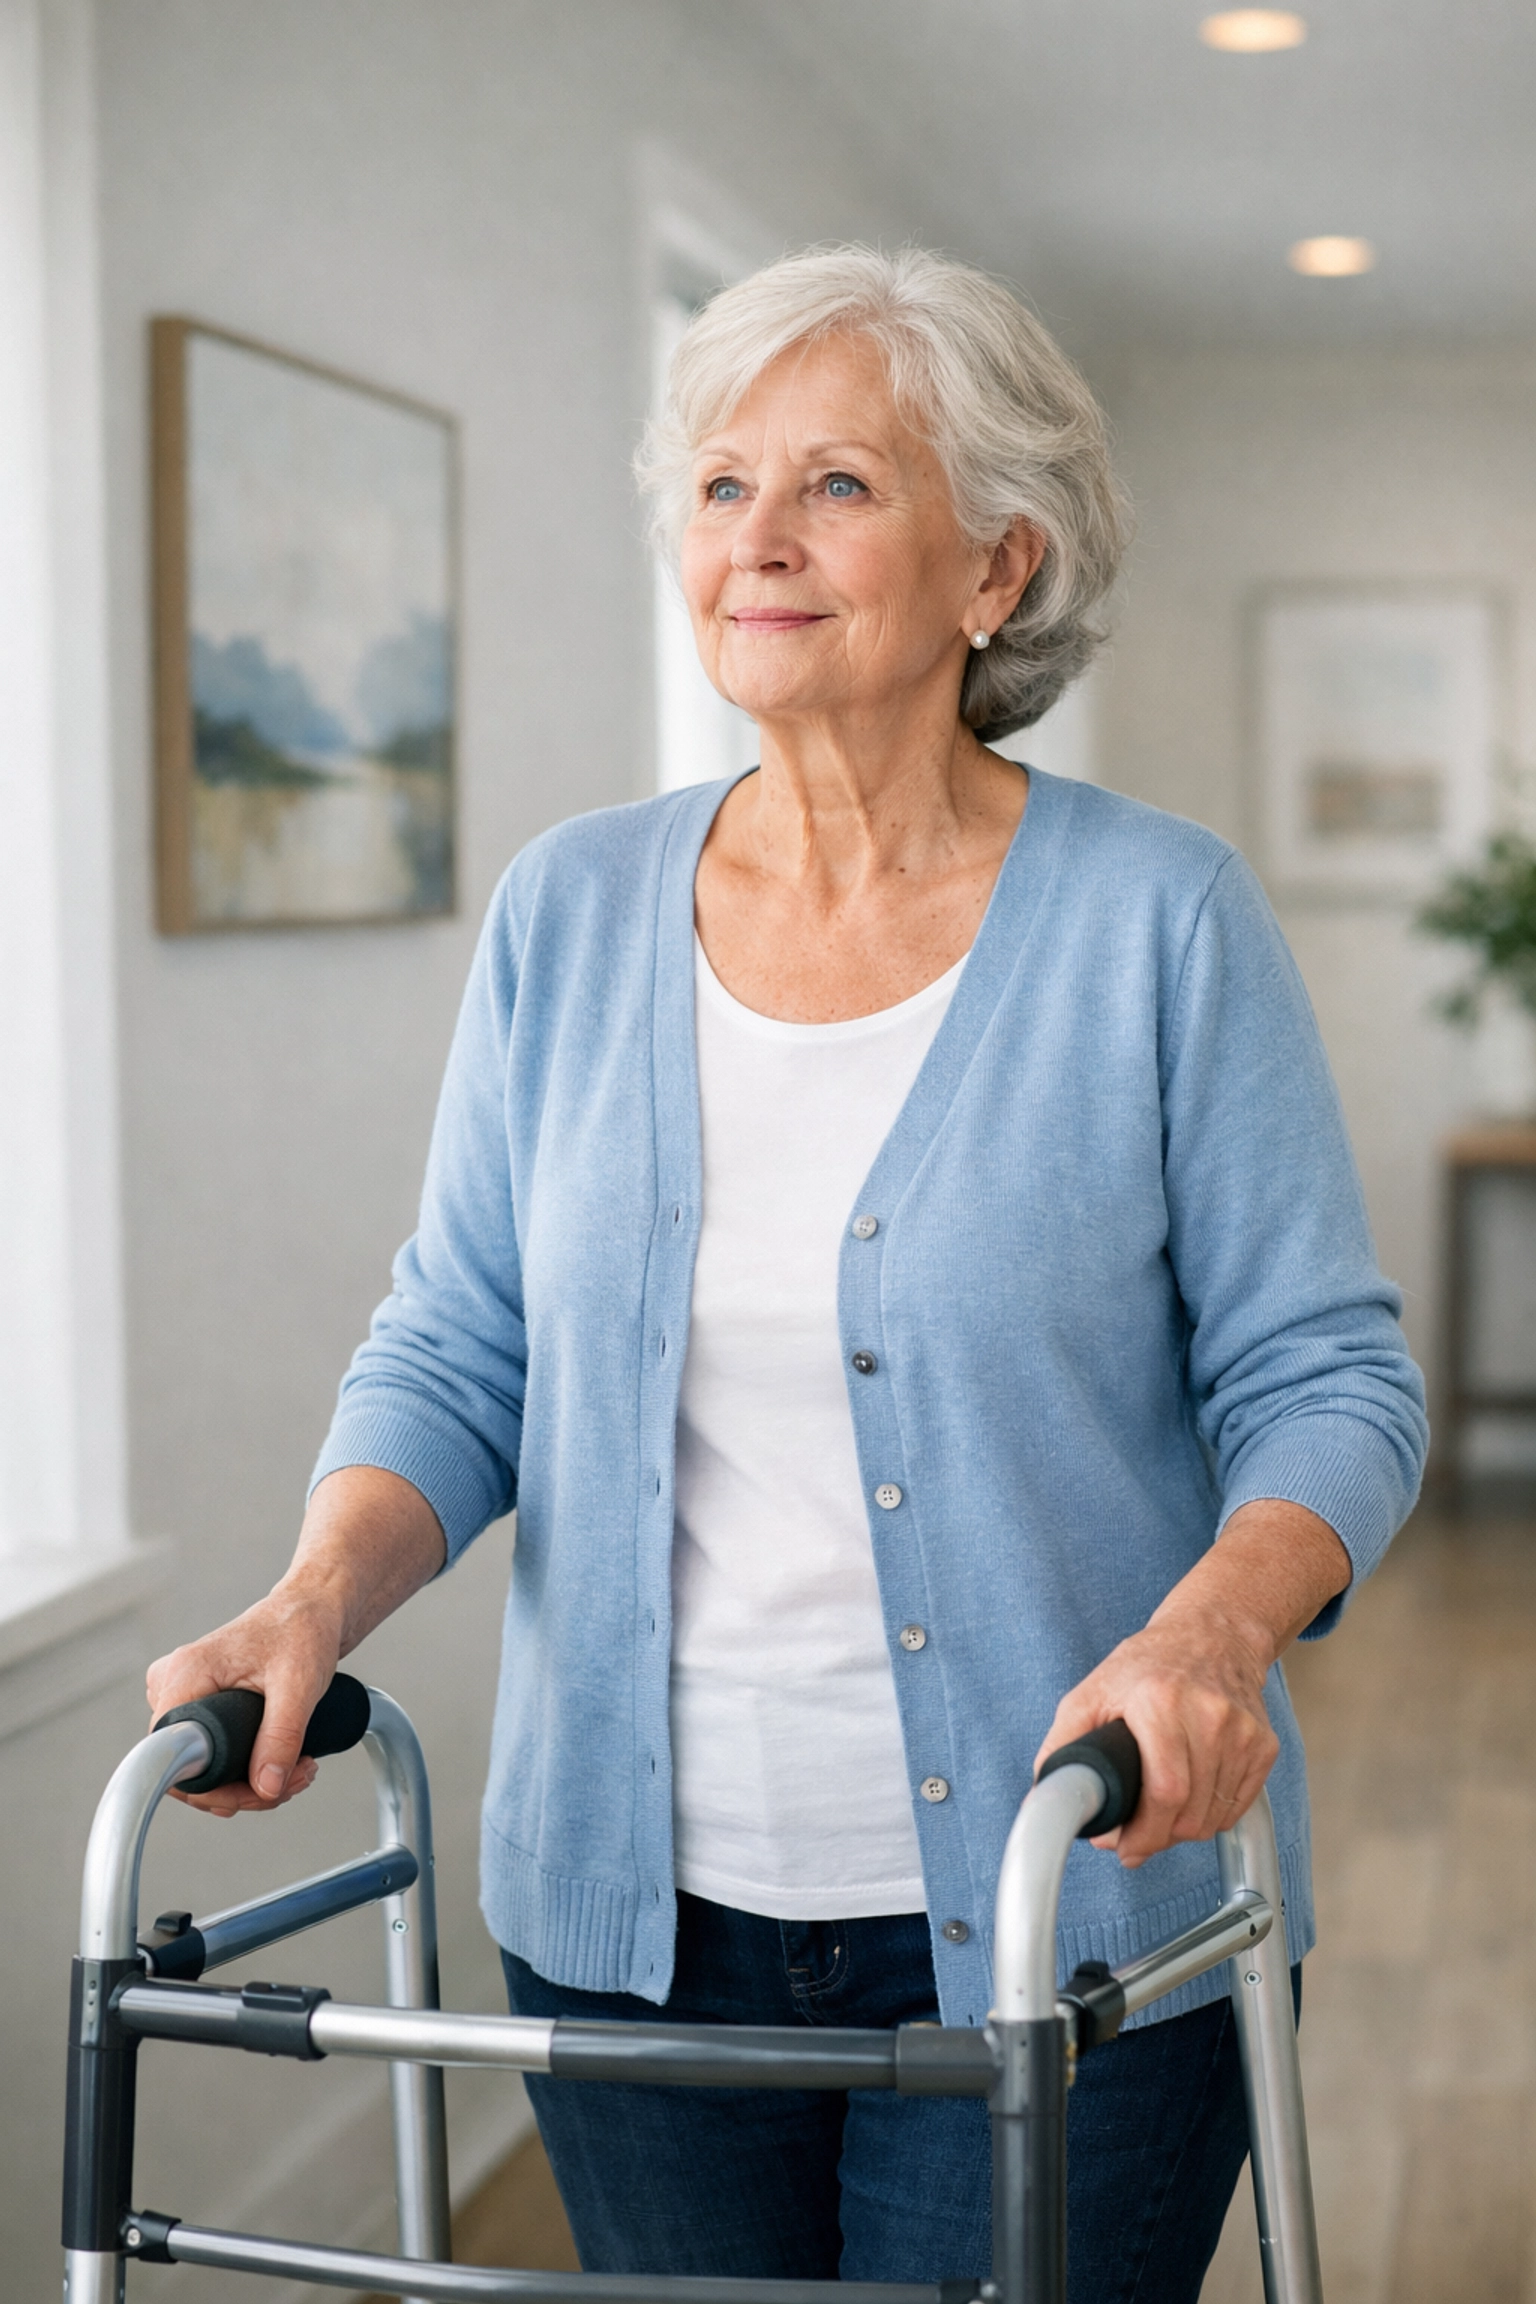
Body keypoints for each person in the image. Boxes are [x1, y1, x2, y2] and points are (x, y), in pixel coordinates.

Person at [148, 244, 1427, 2302]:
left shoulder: (1158, 922)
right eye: (722, 484)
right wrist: (308, 1599)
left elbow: (1330, 1379)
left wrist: (1211, 1639)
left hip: (1060, 1904)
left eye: (838, 483)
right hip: (628, 1940)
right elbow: (465, 1344)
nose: (760, 536)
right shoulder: (571, 910)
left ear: (996, 566)